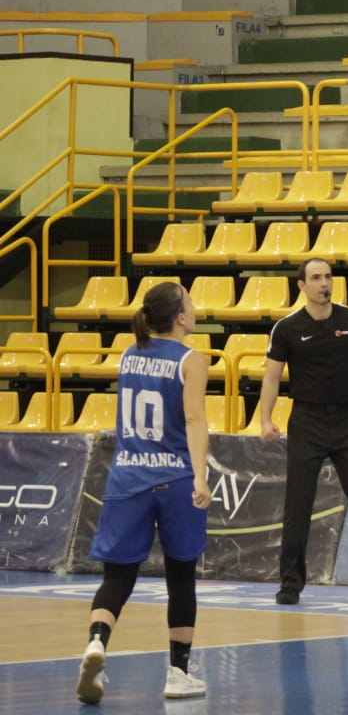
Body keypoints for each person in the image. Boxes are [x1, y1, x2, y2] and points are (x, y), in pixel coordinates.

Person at [76, 281, 212, 704]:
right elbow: (193, 421)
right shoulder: (191, 360)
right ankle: (177, 672)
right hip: (174, 479)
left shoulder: (130, 355)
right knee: (181, 576)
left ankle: (97, 642)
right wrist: (202, 477)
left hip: (128, 476)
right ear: (180, 317)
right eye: (189, 302)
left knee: (118, 577)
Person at [260, 257, 348, 605]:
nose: (324, 283)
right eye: (316, 278)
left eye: (328, 277)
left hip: (347, 419)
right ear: (302, 286)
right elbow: (272, 377)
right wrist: (265, 418)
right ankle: (290, 584)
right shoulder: (287, 328)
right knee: (298, 504)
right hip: (306, 420)